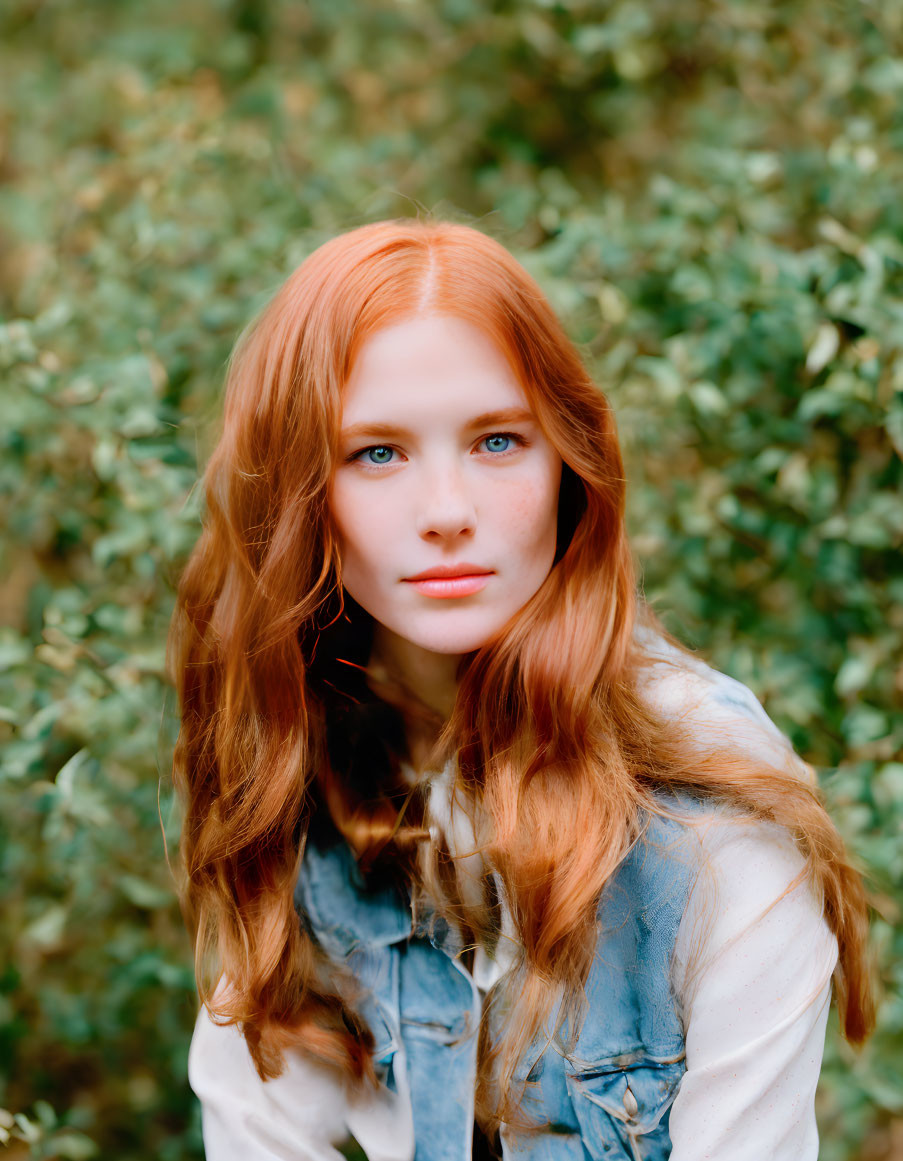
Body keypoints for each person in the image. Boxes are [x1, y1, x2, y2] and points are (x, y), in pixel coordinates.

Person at [167, 217, 874, 1161]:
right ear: (299, 495)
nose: (448, 513)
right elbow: (256, 1130)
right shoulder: (297, 758)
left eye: (498, 441)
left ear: (568, 470)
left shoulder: (710, 807)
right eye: (376, 453)